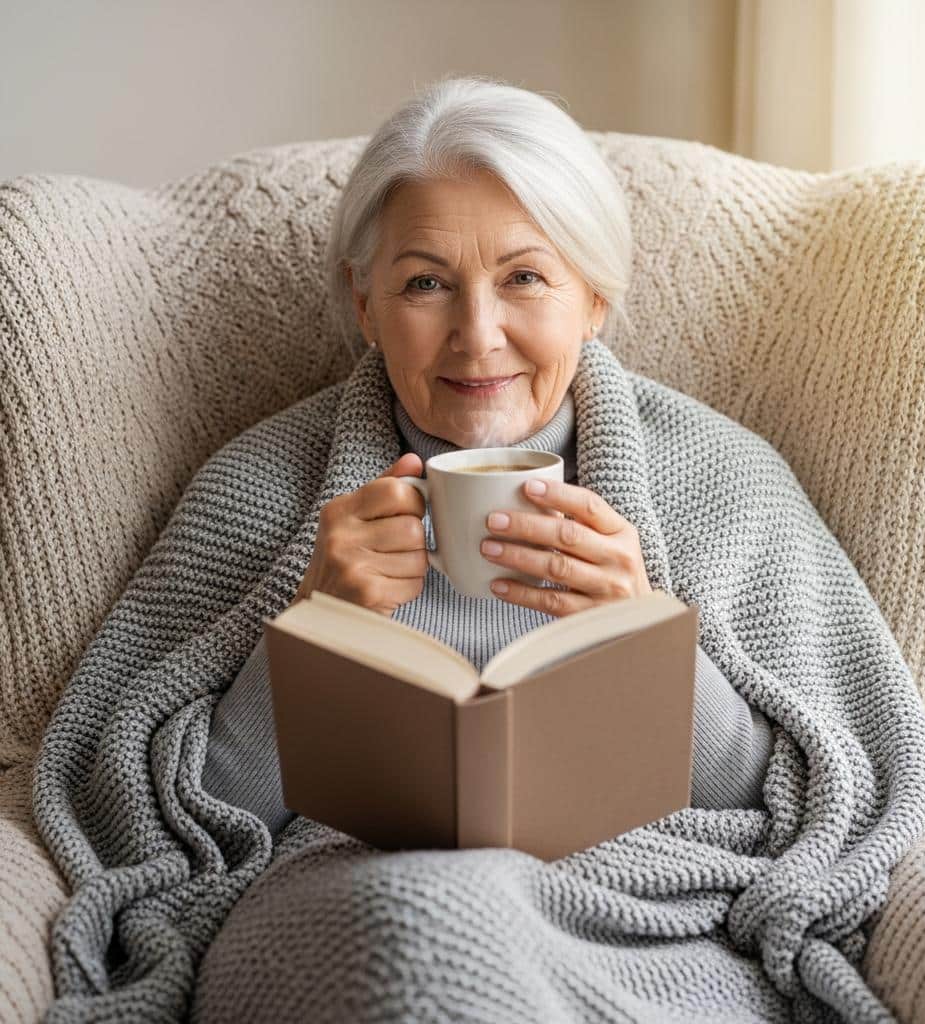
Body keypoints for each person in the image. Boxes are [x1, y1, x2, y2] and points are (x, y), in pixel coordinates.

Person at [199, 73, 774, 838]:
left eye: (525, 278)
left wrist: (647, 644)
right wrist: (314, 636)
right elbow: (183, 819)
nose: (477, 333)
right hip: (357, 899)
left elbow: (786, 802)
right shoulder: (252, 487)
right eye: (426, 283)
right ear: (366, 304)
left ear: (594, 299)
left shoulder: (725, 479)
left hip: (642, 895)